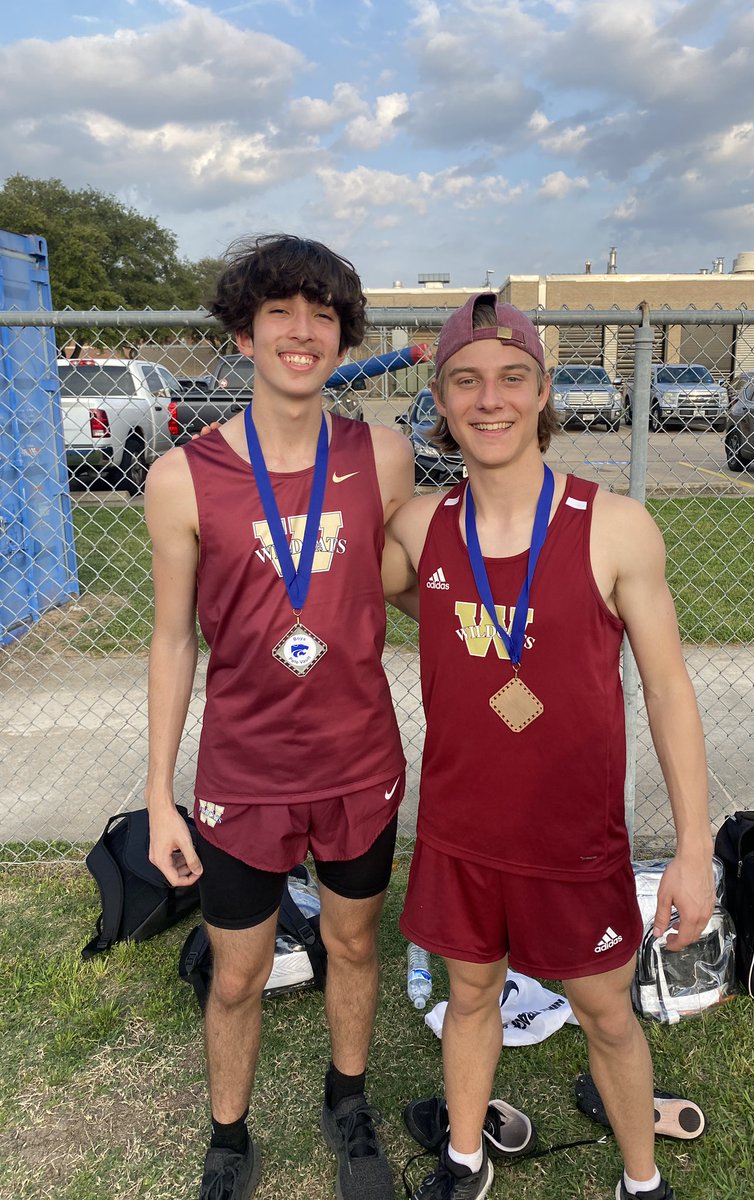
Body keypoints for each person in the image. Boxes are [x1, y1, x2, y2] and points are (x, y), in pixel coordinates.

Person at [382, 293, 716, 1200]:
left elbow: (669, 690)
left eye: (511, 379)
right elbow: (324, 557)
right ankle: (463, 1159)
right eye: (465, 382)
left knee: (606, 1011)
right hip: (462, 830)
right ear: (442, 406)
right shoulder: (418, 529)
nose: (490, 400)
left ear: (541, 394)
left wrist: (693, 850)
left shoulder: (614, 526)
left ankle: (640, 1181)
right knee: (472, 995)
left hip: (573, 840)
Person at [144, 234, 413, 1200]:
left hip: (358, 763)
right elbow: (173, 640)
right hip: (244, 775)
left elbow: (411, 581)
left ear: (344, 336)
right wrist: (159, 798)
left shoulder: (383, 456)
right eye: (281, 314)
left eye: (324, 315)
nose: (303, 332)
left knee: (352, 944)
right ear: (244, 332)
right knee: (235, 974)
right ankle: (228, 1137)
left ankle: (349, 1099)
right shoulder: (181, 477)